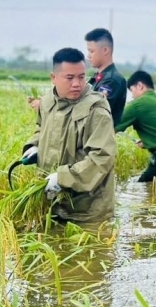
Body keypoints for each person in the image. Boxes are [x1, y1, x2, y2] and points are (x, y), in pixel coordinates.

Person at [22, 48, 117, 225]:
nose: (76, 84)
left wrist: (62, 177)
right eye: (70, 78)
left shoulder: (96, 111)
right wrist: (34, 146)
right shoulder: (48, 102)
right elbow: (40, 128)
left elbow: (102, 158)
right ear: (53, 78)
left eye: (81, 77)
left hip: (87, 212)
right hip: (53, 204)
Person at [85, 28, 127, 126]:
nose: (88, 56)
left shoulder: (111, 80)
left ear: (105, 50)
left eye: (91, 51)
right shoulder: (100, 77)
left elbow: (95, 112)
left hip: (100, 137)